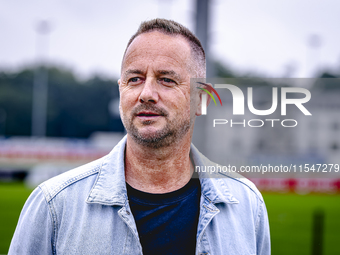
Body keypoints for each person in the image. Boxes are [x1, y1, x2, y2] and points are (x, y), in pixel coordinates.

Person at [9, 19, 270, 254]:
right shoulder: (54, 206)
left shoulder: (246, 205)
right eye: (134, 79)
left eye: (166, 80)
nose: (146, 93)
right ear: (121, 90)